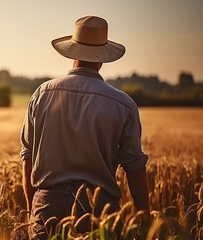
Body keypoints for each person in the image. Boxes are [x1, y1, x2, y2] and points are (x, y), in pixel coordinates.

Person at [20, 16, 150, 239]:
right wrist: (144, 218)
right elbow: (135, 166)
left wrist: (35, 209)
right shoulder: (123, 104)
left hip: (46, 208)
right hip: (100, 213)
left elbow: (28, 157)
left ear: (72, 51)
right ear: (102, 57)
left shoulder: (42, 94)